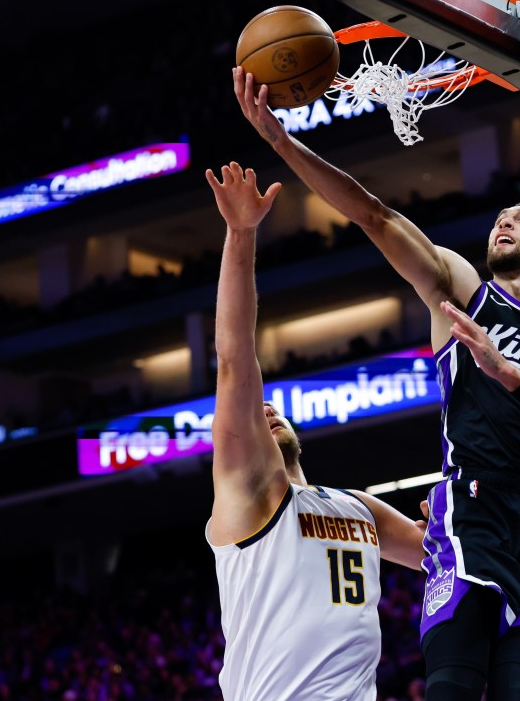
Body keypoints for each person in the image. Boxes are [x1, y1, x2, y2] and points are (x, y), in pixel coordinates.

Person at [233, 67, 520, 700]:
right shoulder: (461, 292)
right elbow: (375, 218)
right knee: (457, 686)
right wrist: (281, 141)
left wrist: (505, 372)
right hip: (475, 505)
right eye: (500, 219)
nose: (504, 225)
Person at [203, 161, 428, 700]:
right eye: (257, 411)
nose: (266, 410)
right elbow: (235, 360)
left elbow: (435, 554)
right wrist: (241, 233)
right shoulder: (250, 495)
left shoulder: (358, 508)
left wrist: (453, 518)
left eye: (273, 407)